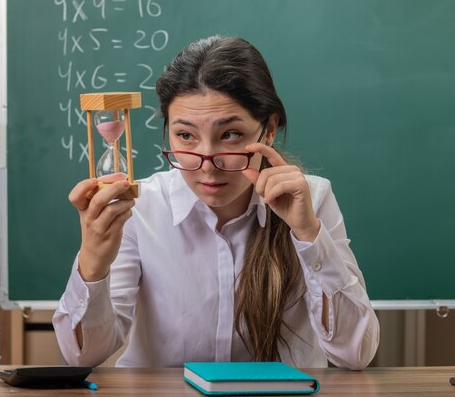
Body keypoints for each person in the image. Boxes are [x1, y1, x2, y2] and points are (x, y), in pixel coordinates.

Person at [53, 36, 380, 369]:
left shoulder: (312, 198)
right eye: (185, 135)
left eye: (230, 135)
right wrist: (92, 262)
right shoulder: (142, 207)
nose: (207, 161)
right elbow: (83, 356)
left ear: (268, 130)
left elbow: (354, 354)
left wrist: (309, 234)